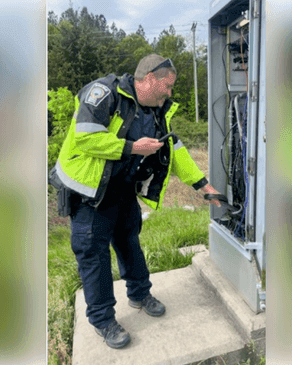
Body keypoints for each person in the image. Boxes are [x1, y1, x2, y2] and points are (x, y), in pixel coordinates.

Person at [50, 54, 221, 349]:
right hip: (90, 194)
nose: (170, 92)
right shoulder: (103, 93)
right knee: (95, 256)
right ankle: (103, 320)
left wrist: (203, 185)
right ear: (151, 78)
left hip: (122, 190)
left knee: (130, 242)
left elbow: (175, 149)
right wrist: (132, 147)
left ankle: (140, 294)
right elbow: (85, 138)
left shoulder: (156, 111)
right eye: (167, 85)